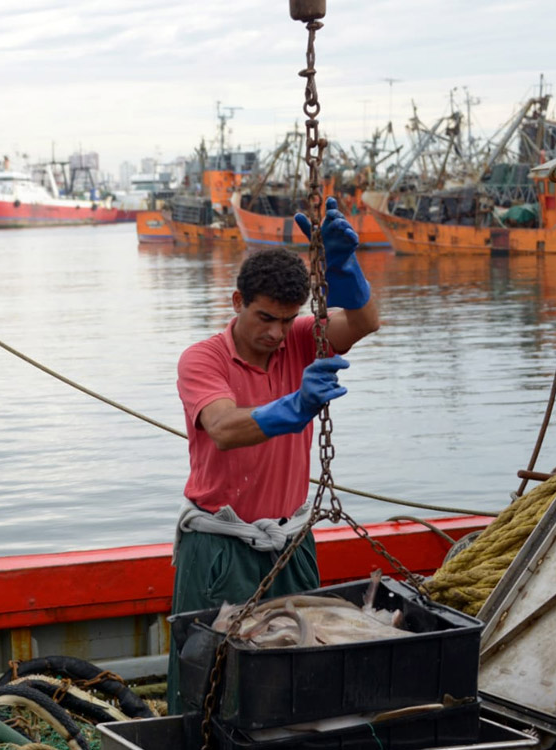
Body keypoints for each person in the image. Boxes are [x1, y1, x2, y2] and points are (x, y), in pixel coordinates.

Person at [167, 197, 380, 712]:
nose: (275, 333)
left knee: (301, 669)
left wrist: (345, 269)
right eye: (264, 318)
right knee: (207, 671)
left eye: (287, 320)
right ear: (237, 301)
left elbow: (365, 322)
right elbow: (223, 428)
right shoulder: (203, 359)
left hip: (289, 538)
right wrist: (295, 405)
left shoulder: (302, 340)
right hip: (222, 545)